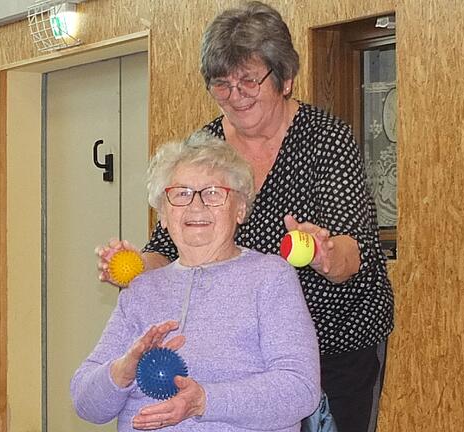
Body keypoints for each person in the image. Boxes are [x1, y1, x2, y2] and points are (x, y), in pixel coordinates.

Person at [96, 3, 394, 432]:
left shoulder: (325, 137)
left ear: (285, 78)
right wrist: (136, 268)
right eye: (222, 84)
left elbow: (353, 251)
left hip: (338, 339)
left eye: (249, 80)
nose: (236, 95)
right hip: (248, 350)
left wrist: (325, 254)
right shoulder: (206, 147)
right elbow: (167, 247)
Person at [73, 131, 320, 431]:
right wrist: (123, 370)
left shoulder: (271, 277)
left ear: (240, 208)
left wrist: (204, 400)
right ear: (162, 214)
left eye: (214, 192)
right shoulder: (141, 289)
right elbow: (86, 403)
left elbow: (300, 389)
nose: (196, 205)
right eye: (181, 193)